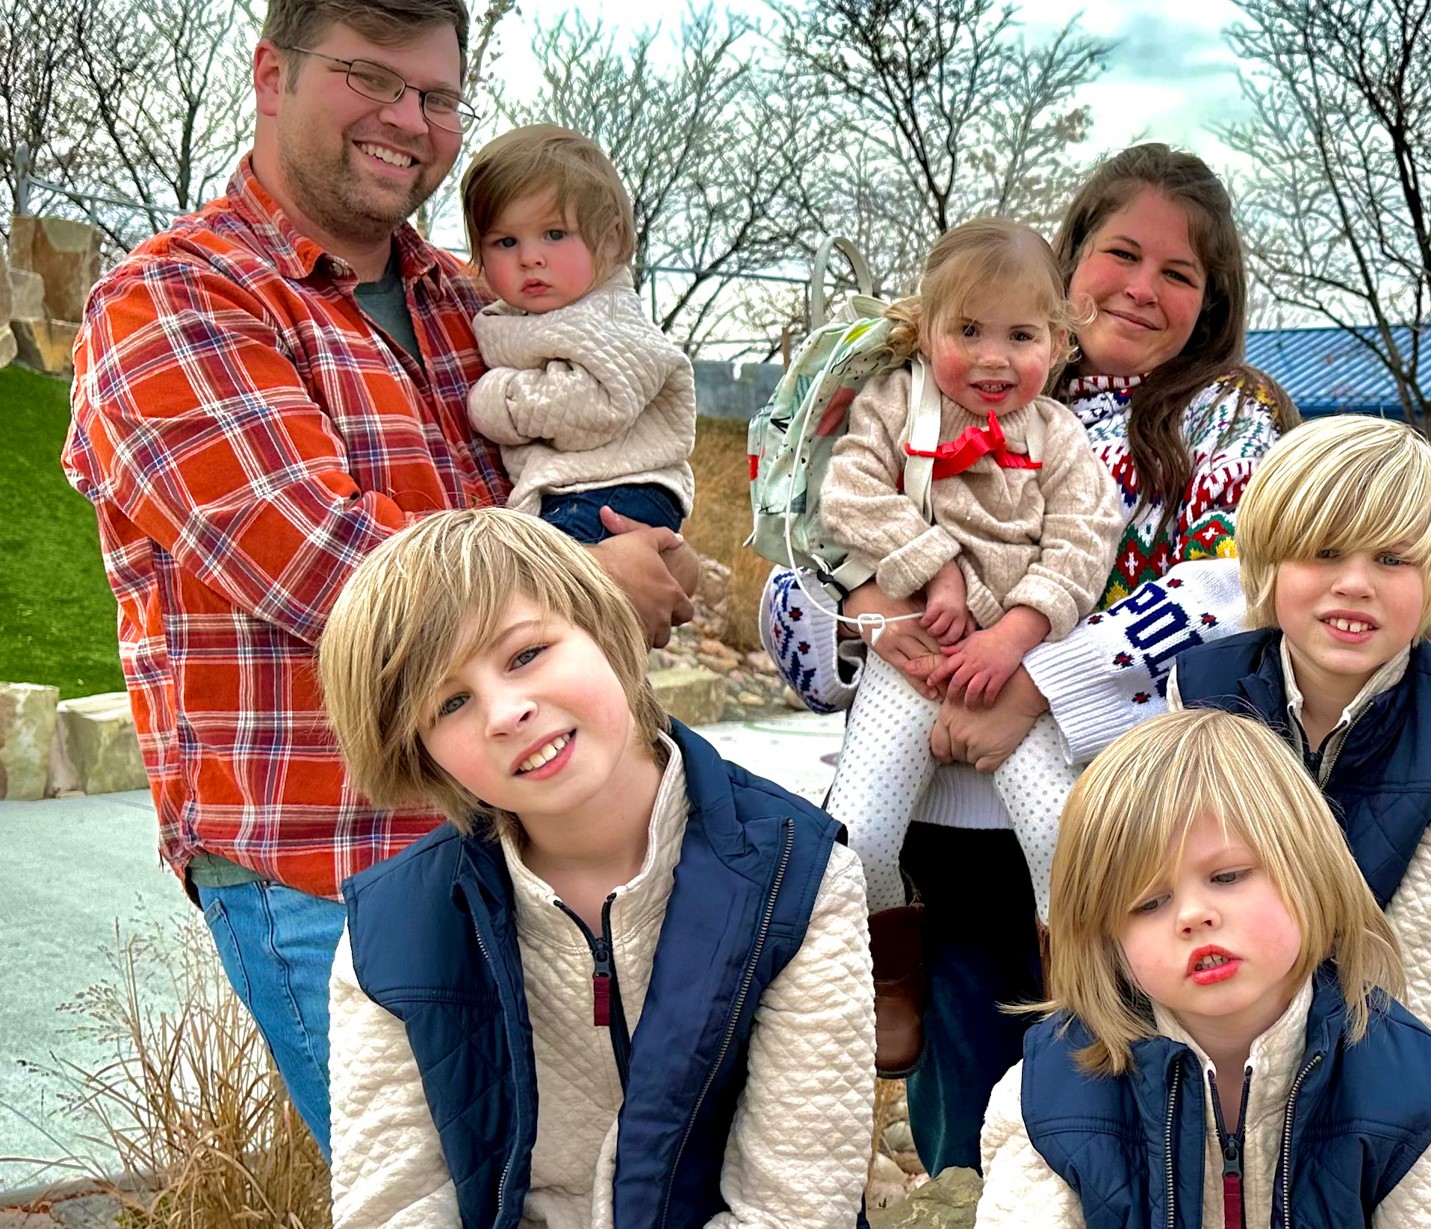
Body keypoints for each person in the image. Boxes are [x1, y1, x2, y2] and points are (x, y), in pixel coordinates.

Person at [60, 0, 692, 1155]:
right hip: (328, 867)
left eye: (437, 95)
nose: (409, 119)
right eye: (369, 77)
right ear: (271, 71)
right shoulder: (172, 300)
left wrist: (654, 529)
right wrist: (591, 585)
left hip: (525, 830)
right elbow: (324, 562)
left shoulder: (475, 297)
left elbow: (606, 434)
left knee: (587, 1172)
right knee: (438, 1188)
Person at [764, 143, 1295, 1173]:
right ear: (1069, 257)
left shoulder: (1236, 414)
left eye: (1177, 273)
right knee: (966, 1126)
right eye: (1118, 254)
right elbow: (805, 544)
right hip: (938, 813)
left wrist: (1034, 683)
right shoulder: (938, 380)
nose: (1140, 288)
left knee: (1108, 1113)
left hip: (1120, 817)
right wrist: (871, 612)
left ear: (1213, 297)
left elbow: (1224, 592)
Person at [317, 508, 873, 1228]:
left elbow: (794, 1210)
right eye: (451, 701)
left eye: (524, 654)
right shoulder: (388, 937)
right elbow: (394, 1209)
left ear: (602, 627)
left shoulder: (797, 880)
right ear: (420, 753)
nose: (505, 711)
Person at [1167, 415, 1431, 1219]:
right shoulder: (1198, 692)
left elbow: (1423, 986)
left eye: (1392, 558)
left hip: (1427, 1100)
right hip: (1230, 1090)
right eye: (1325, 552)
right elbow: (1168, 891)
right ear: (1268, 562)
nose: (1355, 583)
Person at [975, 708, 1431, 1227]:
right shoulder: (1045, 1100)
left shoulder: (1413, 1090)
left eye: (1227, 876)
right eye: (1149, 904)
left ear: (1309, 868)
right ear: (1106, 939)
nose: (1194, 916)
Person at [818, 219, 1120, 1070]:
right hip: (912, 658)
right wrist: (936, 566)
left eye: (1020, 336)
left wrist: (1018, 633)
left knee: (1062, 828)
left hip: (1013, 672)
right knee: (858, 828)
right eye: (969, 331)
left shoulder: (1057, 437)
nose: (994, 358)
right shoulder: (896, 407)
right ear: (927, 329)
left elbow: (1081, 544)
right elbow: (848, 496)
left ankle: (1077, 981)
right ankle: (892, 967)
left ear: (1058, 344)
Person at [461, 124, 697, 542]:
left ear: (609, 241)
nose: (530, 258)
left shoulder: (611, 317)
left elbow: (598, 405)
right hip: (575, 487)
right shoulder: (516, 316)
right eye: (505, 241)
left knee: (547, 583)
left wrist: (496, 400)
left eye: (555, 235)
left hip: (621, 489)